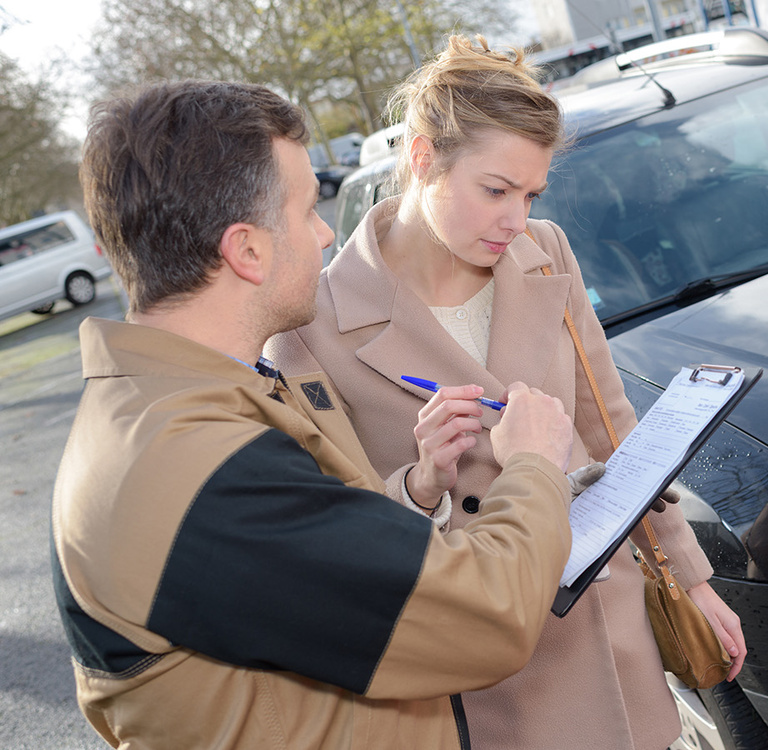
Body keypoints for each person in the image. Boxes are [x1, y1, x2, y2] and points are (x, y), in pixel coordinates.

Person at [51, 79, 584, 750]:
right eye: (306, 211)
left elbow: (330, 573)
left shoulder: (183, 411)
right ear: (246, 251)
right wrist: (533, 463)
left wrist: (419, 487)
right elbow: (489, 616)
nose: (327, 231)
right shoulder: (195, 468)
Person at [265, 36, 747, 749]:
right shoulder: (311, 329)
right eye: (495, 190)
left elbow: (613, 428)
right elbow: (337, 539)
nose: (515, 220)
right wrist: (423, 482)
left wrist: (689, 576)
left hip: (611, 628)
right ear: (423, 158)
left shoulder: (545, 252)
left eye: (531, 194)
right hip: (494, 678)